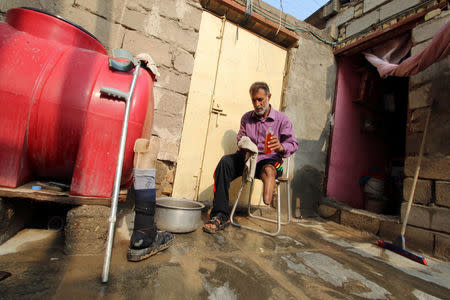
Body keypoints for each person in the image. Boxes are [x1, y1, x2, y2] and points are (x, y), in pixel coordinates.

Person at [203, 82, 298, 233]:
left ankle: (268, 183)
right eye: (254, 100)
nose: (257, 104)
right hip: (249, 159)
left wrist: (281, 147)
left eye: (260, 99)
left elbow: (293, 143)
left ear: (269, 97)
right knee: (225, 163)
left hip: (271, 159)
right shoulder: (247, 118)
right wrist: (245, 144)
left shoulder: (282, 120)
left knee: (269, 168)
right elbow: (240, 138)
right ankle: (221, 215)